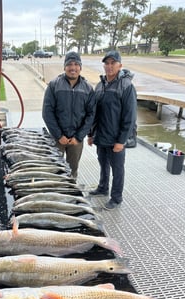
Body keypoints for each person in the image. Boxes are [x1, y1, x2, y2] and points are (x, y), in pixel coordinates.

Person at [88, 50, 137, 210]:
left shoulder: (126, 85)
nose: (109, 66)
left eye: (112, 63)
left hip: (116, 138)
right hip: (101, 136)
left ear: (120, 65)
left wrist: (121, 141)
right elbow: (94, 112)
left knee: (117, 169)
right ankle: (103, 188)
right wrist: (91, 134)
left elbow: (129, 116)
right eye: (106, 63)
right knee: (103, 164)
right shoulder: (100, 85)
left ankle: (116, 198)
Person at [42, 51, 96, 180]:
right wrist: (59, 135)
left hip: (76, 140)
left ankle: (71, 194)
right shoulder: (54, 85)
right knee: (55, 170)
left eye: (76, 64)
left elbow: (91, 115)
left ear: (80, 67)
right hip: (57, 139)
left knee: (72, 172)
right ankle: (55, 194)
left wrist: (79, 136)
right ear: (64, 67)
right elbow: (47, 112)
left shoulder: (88, 89)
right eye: (69, 64)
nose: (73, 68)